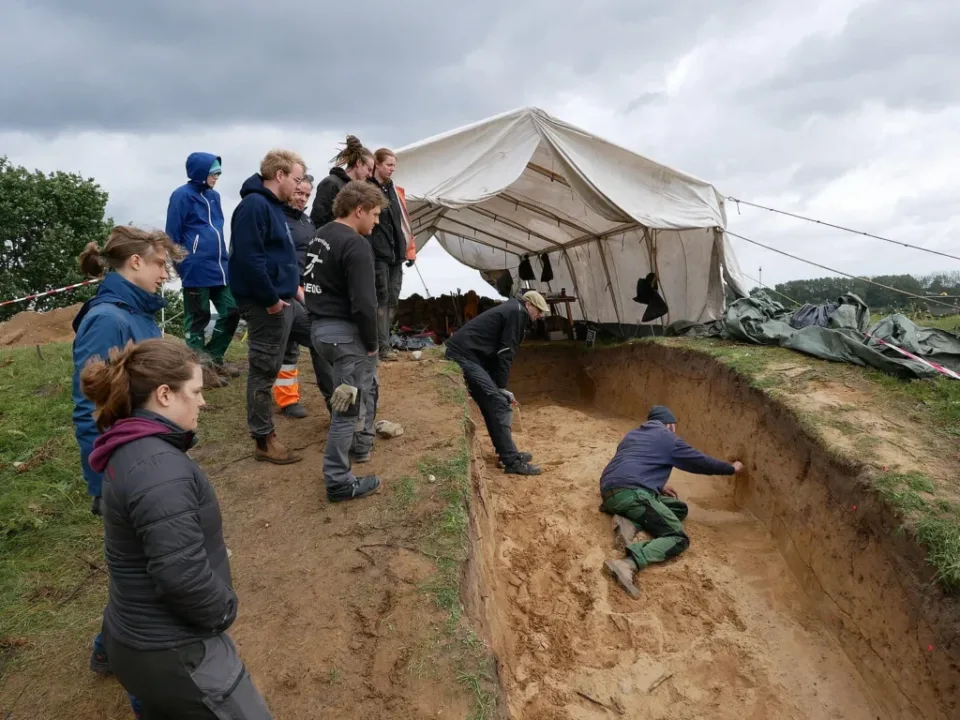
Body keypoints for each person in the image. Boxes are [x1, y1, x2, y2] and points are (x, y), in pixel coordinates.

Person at [80, 337, 272, 719]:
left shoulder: (128, 446)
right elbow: (181, 576)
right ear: (165, 394)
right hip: (176, 652)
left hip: (134, 641)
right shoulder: (159, 470)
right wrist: (224, 611)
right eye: (196, 391)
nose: (203, 401)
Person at [71, 226, 183, 719]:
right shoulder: (106, 320)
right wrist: (105, 484)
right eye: (160, 265)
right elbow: (86, 409)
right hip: (126, 477)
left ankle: (106, 648)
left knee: (138, 578)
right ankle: (150, 696)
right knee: (149, 584)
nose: (165, 275)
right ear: (135, 263)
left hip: (150, 464)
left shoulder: (139, 316)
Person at [600, 405, 745, 599]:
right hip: (631, 494)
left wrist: (658, 486)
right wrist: (730, 469)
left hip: (609, 491)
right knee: (677, 538)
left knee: (678, 508)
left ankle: (627, 522)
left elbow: (633, 462)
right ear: (670, 425)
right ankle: (627, 564)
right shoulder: (667, 437)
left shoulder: (633, 435)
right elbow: (698, 461)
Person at [302, 180, 386, 502]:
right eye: (375, 214)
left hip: (321, 332)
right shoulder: (356, 245)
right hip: (345, 337)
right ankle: (338, 481)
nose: (376, 222)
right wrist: (372, 343)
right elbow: (365, 303)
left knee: (360, 389)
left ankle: (362, 448)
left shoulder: (319, 236)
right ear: (359, 209)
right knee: (347, 408)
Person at [228, 148, 312, 464]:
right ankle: (263, 440)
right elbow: (249, 259)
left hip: (287, 299)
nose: (299, 185)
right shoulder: (253, 206)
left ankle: (341, 408)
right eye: (296, 178)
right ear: (279, 176)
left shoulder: (273, 207)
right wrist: (271, 300)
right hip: (267, 304)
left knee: (319, 336)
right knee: (264, 370)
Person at [444, 291, 549, 475]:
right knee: (498, 404)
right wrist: (501, 387)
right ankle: (511, 461)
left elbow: (497, 351)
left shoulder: (513, 308)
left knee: (492, 403)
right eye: (539, 310)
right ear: (529, 305)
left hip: (470, 355)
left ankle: (506, 454)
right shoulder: (518, 313)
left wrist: (497, 386)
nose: (540, 316)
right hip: (464, 355)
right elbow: (506, 352)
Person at [164, 152, 240, 386]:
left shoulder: (215, 197)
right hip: (195, 269)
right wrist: (180, 265)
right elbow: (172, 235)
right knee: (198, 319)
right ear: (200, 172)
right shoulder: (181, 196)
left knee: (232, 311)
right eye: (213, 173)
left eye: (219, 173)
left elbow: (217, 231)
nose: (217, 177)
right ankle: (199, 373)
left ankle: (214, 359)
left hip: (219, 269)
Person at [275, 173, 334, 418]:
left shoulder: (307, 223)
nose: (303, 199)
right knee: (287, 349)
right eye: (299, 193)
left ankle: (328, 398)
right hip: (284, 292)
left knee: (308, 343)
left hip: (307, 290)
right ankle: (287, 400)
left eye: (307, 195)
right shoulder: (275, 218)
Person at [368, 148, 407, 362]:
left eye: (394, 165)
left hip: (395, 255)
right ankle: (381, 346)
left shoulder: (392, 188)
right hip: (378, 253)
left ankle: (385, 340)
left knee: (392, 297)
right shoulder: (369, 188)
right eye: (389, 165)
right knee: (381, 298)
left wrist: (405, 250)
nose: (392, 169)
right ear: (377, 164)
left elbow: (398, 222)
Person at [309, 135, 374, 228]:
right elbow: (318, 220)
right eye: (369, 169)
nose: (370, 175)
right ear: (359, 163)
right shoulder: (330, 183)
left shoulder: (359, 190)